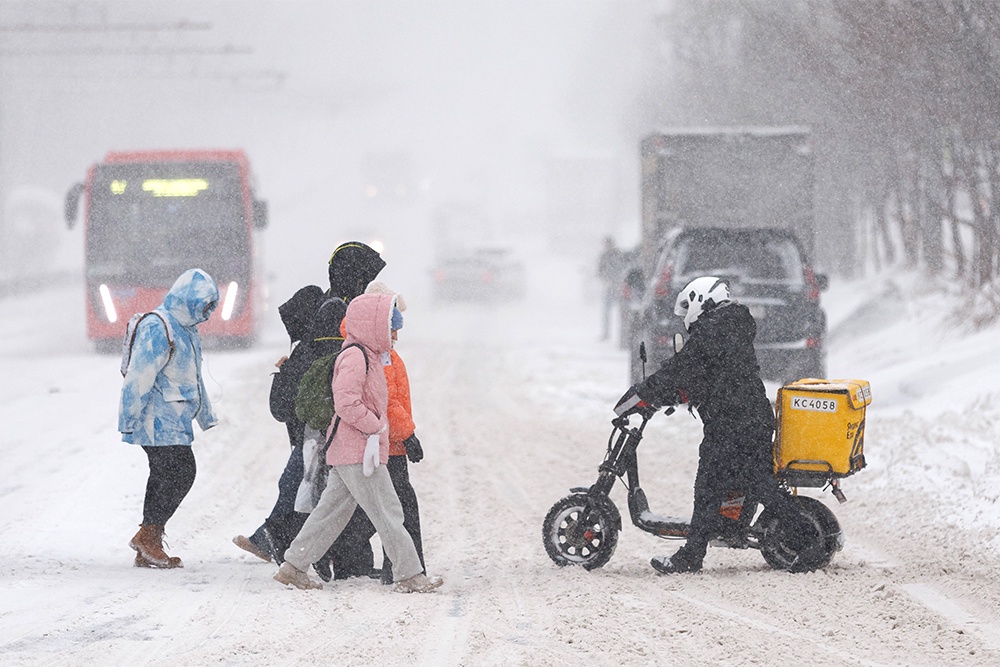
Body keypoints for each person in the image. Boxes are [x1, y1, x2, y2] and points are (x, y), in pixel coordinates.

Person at [632, 275, 813, 574]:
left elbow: (683, 367)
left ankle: (694, 554)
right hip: (743, 419)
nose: (686, 319)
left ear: (702, 301)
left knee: (711, 486)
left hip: (735, 424)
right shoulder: (726, 326)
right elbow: (706, 374)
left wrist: (643, 392)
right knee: (754, 483)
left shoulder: (713, 330)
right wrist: (672, 393)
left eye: (689, 307)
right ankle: (737, 530)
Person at [273, 292, 443, 593]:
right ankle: (409, 575)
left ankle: (293, 566)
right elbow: (346, 403)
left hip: (352, 449)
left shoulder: (366, 354)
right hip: (358, 450)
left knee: (330, 513)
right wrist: (377, 426)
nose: (396, 336)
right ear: (374, 326)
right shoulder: (355, 356)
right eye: (392, 328)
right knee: (388, 510)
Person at [119, 268, 220, 569]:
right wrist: (129, 418)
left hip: (175, 422)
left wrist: (205, 416)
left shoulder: (186, 329)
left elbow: (195, 379)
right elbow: (139, 376)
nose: (207, 314)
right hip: (155, 420)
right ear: (188, 300)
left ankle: (148, 539)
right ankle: (148, 536)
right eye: (204, 306)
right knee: (180, 472)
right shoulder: (158, 326)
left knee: (168, 474)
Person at [233, 284, 325, 563]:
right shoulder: (314, 344)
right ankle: (273, 539)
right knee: (299, 485)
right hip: (308, 433)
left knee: (296, 484)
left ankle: (272, 539)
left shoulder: (310, 349)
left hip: (311, 433)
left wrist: (286, 372)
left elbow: (288, 403)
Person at [355, 281, 426, 585]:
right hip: (387, 445)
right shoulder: (379, 357)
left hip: (388, 444)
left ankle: (394, 565)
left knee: (384, 508)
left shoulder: (383, 354)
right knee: (400, 508)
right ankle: (407, 568)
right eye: (393, 327)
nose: (397, 335)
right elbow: (388, 401)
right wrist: (407, 434)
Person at [597, 236, 625, 340]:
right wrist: (605, 278)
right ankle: (606, 334)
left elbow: (623, 269)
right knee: (606, 312)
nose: (607, 246)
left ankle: (622, 335)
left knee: (622, 312)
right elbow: (600, 271)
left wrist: (619, 281)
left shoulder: (618, 255)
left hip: (619, 288)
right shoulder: (604, 257)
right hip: (609, 288)